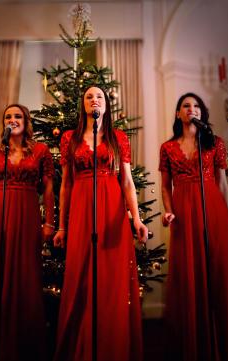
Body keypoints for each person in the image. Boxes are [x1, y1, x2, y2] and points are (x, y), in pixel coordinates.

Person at [53, 85, 148, 361]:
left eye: (99, 96)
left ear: (106, 104)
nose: (94, 100)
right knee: (81, 275)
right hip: (82, 208)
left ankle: (112, 345)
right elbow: (66, 185)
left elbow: (128, 183)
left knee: (111, 277)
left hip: (113, 209)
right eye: (89, 97)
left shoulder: (118, 138)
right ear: (83, 105)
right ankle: (82, 345)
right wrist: (62, 226)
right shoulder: (69, 138)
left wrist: (137, 220)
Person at [0, 104, 55, 361]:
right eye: (8, 116)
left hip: (28, 219)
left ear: (26, 121)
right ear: (3, 123)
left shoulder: (40, 151)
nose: (13, 119)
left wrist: (49, 223)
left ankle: (22, 348)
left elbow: (49, 190)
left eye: (17, 116)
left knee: (25, 278)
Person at [159, 92, 228, 361]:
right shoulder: (167, 148)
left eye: (196, 106)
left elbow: (222, 184)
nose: (192, 109)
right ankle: (194, 343)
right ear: (178, 113)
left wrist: (227, 217)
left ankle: (220, 343)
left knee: (217, 274)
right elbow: (166, 186)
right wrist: (168, 211)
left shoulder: (215, 144)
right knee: (189, 274)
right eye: (186, 106)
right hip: (184, 212)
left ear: (202, 112)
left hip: (213, 211)